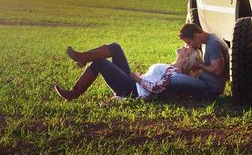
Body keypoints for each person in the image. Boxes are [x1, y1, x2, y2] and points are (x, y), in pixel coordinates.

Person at [54, 42, 202, 100]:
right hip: (132, 83)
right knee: (116, 48)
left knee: (101, 63)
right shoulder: (171, 67)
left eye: (187, 48)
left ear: (188, 57)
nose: (184, 46)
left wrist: (138, 79)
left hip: (132, 89)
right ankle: (83, 57)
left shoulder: (173, 73)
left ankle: (73, 93)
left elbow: (157, 89)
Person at [169, 23, 230, 100]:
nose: (189, 46)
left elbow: (218, 71)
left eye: (189, 42)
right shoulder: (208, 40)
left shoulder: (213, 44)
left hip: (211, 88)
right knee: (175, 77)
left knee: (175, 79)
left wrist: (199, 65)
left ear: (195, 36)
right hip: (204, 81)